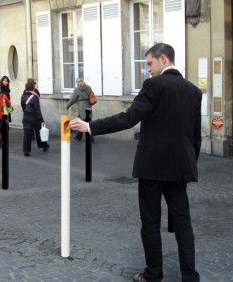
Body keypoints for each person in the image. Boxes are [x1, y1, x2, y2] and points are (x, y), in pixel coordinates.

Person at [69, 43, 202, 282]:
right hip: (181, 167)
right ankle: (190, 277)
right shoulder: (193, 90)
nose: (148, 70)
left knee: (150, 222)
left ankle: (153, 274)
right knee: (183, 223)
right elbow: (195, 136)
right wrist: (191, 165)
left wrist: (90, 126)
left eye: (149, 63)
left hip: (152, 166)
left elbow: (129, 118)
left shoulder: (153, 85)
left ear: (163, 59)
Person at [21, 81, 50, 156]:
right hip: (34, 118)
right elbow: (38, 110)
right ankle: (44, 146)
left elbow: (23, 107)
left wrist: (26, 112)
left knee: (27, 134)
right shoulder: (35, 97)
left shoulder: (23, 96)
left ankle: (26, 151)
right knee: (39, 132)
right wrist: (42, 121)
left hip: (26, 117)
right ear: (33, 88)